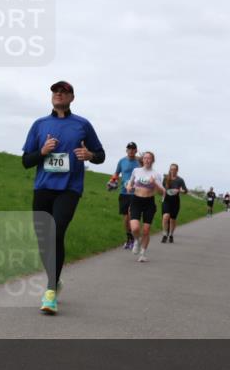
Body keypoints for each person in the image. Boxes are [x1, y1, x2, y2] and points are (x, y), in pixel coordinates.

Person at [22, 81, 105, 314]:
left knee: (56, 232)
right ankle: (55, 279)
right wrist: (42, 152)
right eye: (55, 91)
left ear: (72, 97)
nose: (58, 94)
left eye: (63, 91)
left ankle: (50, 292)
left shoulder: (82, 125)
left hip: (69, 189)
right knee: (43, 241)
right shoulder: (39, 125)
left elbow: (101, 155)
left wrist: (89, 154)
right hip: (43, 189)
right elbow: (26, 161)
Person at [125, 151, 166, 263]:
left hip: (149, 202)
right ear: (142, 160)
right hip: (136, 200)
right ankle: (137, 241)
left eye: (149, 158)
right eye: (145, 158)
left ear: (152, 160)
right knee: (135, 228)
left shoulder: (156, 174)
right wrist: (129, 186)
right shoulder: (136, 171)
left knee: (146, 230)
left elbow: (161, 192)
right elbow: (130, 182)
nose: (147, 160)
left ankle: (142, 254)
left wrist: (155, 183)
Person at [111, 143, 141, 250]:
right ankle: (129, 239)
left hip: (136, 193)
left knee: (131, 215)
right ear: (126, 150)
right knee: (126, 217)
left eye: (133, 149)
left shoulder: (139, 162)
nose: (131, 151)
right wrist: (112, 182)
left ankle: (134, 238)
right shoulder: (122, 161)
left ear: (136, 150)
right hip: (124, 192)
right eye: (129, 149)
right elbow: (116, 173)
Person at [159, 164, 188, 243]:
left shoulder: (180, 180)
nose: (173, 171)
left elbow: (185, 191)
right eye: (171, 169)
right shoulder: (166, 178)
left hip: (175, 201)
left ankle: (171, 234)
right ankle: (165, 234)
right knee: (165, 216)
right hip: (166, 200)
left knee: (172, 219)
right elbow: (162, 188)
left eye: (174, 169)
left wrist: (180, 191)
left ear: (177, 170)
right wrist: (163, 192)